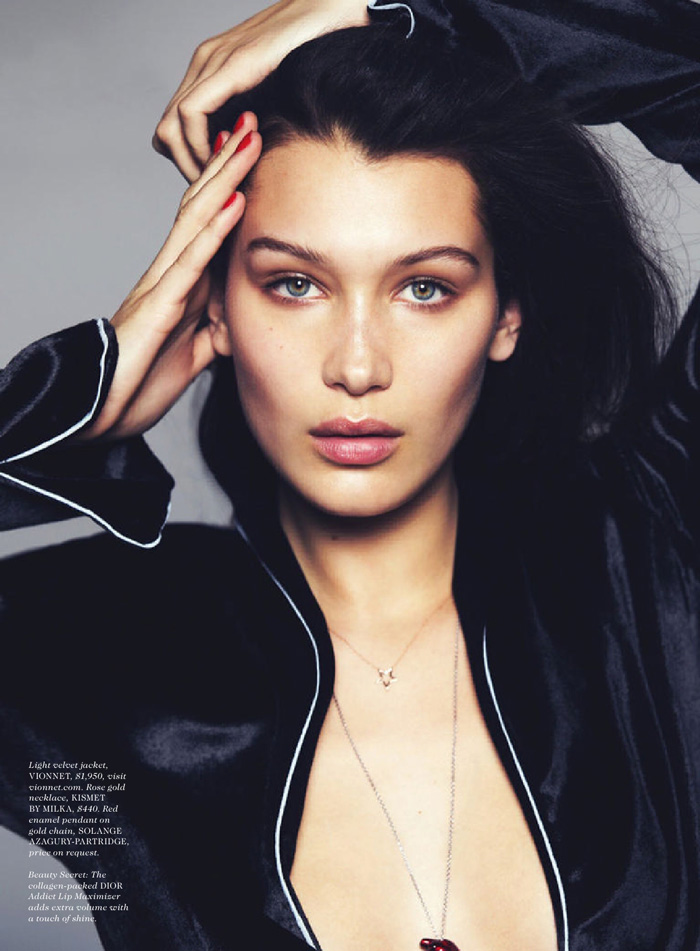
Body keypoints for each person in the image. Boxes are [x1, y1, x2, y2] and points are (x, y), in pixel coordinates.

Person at [1, 2, 699, 951]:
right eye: (295, 284)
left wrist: (417, 9)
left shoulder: (649, 558)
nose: (357, 366)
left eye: (426, 287)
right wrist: (61, 411)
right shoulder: (95, 653)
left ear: (506, 314)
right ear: (214, 305)